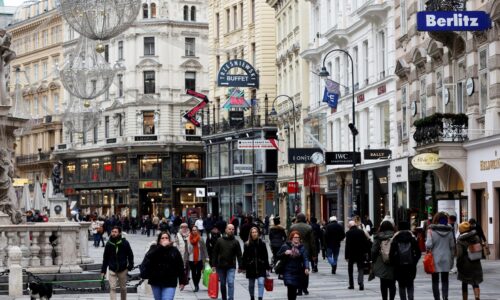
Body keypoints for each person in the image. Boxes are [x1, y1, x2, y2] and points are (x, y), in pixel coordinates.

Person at [145, 231, 187, 300]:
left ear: (169, 239)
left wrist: (182, 281)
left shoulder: (174, 250)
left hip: (170, 281)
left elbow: (180, 266)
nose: (165, 239)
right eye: (162, 238)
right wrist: (161, 247)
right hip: (156, 280)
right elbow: (149, 257)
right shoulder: (154, 248)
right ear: (159, 240)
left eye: (166, 238)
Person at [426, 212, 455, 300]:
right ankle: (445, 297)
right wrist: (452, 259)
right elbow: (452, 246)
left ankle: (437, 298)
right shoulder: (449, 231)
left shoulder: (431, 231)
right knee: (445, 280)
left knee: (435, 281)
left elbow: (429, 245)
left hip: (435, 259)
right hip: (446, 257)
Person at [389, 221, 421, 300]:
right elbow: (418, 252)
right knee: (410, 284)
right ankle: (410, 298)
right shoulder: (412, 238)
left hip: (399, 266)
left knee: (401, 285)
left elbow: (391, 254)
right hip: (410, 265)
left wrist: (394, 263)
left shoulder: (395, 239)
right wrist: (414, 261)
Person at [101, 226, 134, 300]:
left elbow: (130, 254)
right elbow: (105, 258)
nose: (113, 233)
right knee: (112, 288)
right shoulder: (109, 244)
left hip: (122, 269)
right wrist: (103, 271)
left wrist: (130, 265)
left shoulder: (124, 242)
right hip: (112, 269)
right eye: (112, 232)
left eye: (115, 232)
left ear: (119, 233)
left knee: (123, 288)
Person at [276, 231, 310, 300]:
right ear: (291, 238)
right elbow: (278, 256)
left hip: (297, 271)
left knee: (294, 289)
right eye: (295, 237)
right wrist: (285, 253)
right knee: (290, 287)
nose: (297, 239)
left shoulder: (301, 247)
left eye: (298, 237)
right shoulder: (285, 246)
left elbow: (305, 258)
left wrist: (306, 267)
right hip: (287, 270)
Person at [212, 224, 242, 300]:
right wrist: (213, 265)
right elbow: (215, 253)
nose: (231, 231)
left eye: (233, 229)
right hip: (220, 266)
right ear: (226, 230)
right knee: (222, 284)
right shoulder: (220, 240)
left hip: (231, 266)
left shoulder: (236, 242)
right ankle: (224, 298)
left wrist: (240, 266)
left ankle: (231, 298)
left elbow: (239, 255)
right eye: (229, 229)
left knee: (231, 282)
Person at [242, 227, 271, 300]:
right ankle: (252, 297)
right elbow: (244, 256)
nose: (254, 233)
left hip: (261, 266)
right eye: (253, 232)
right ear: (250, 234)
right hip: (250, 267)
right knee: (251, 285)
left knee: (261, 282)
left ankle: (260, 298)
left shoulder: (262, 243)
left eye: (256, 232)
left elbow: (266, 256)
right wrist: (243, 267)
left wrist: (267, 267)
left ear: (258, 233)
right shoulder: (247, 244)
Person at [289, 213, 315, 295]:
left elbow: (288, 240)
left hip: (295, 250)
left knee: (297, 270)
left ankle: (299, 289)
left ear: (297, 218)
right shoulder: (309, 227)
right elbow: (312, 242)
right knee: (306, 269)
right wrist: (314, 254)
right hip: (306, 250)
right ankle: (305, 288)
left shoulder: (292, 227)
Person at [456, 221, 483, 300]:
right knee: (475, 281)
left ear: (461, 230)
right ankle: (477, 296)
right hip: (475, 261)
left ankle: (465, 298)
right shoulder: (476, 237)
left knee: (464, 282)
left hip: (465, 264)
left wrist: (458, 264)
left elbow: (459, 254)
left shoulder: (460, 240)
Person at [371, 220, 396, 300]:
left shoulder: (378, 237)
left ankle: (384, 298)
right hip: (393, 262)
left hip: (382, 262)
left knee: (383, 283)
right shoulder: (395, 236)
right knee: (392, 283)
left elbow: (374, 250)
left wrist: (373, 260)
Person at [345, 220, 370, 291]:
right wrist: (366, 252)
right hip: (360, 253)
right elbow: (365, 242)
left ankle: (351, 284)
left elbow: (347, 245)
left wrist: (346, 256)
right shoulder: (361, 232)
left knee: (350, 269)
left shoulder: (348, 233)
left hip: (351, 253)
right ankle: (361, 283)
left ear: (350, 226)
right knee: (360, 268)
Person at [187, 225, 208, 292]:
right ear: (191, 231)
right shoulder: (188, 239)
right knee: (193, 272)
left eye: (195, 230)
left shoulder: (200, 239)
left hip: (199, 258)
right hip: (191, 259)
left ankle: (197, 284)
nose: (194, 231)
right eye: (193, 230)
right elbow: (187, 250)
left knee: (198, 272)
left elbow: (204, 249)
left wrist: (207, 257)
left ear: (197, 231)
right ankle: (196, 286)